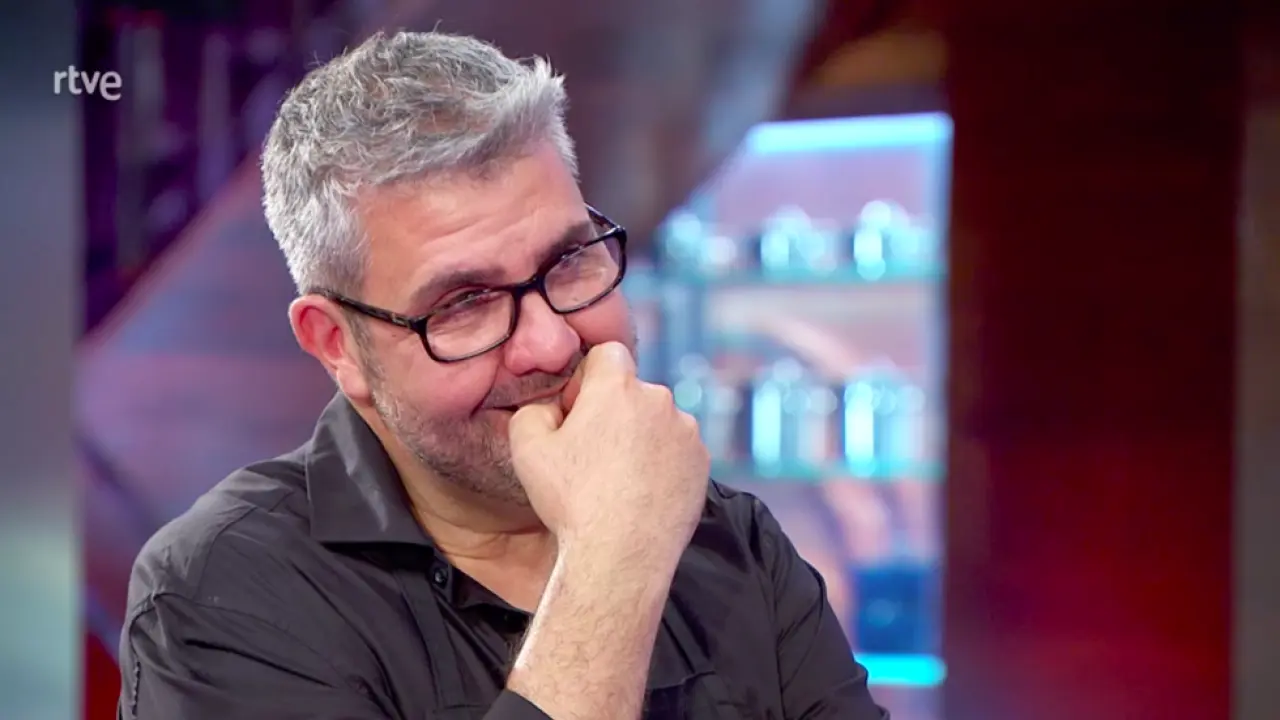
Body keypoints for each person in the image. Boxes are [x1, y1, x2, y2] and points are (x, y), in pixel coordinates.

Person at [116, 30, 889, 720]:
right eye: (466, 304)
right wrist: (612, 564)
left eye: (570, 260)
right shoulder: (223, 591)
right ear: (338, 344)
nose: (550, 344)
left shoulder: (733, 542)